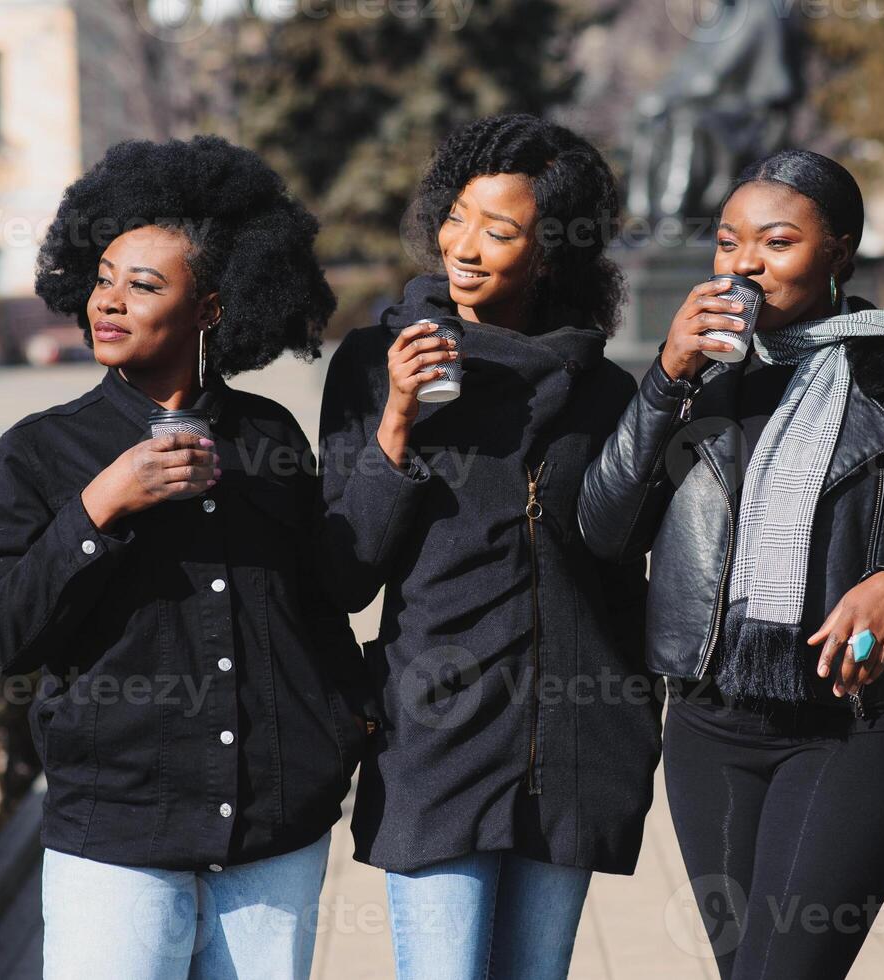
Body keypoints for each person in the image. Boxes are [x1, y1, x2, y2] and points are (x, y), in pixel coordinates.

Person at [578, 149, 884, 979]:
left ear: (838, 251)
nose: (744, 264)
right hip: (707, 728)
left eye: (776, 241)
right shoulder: (695, 381)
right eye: (728, 244)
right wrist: (663, 379)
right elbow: (603, 529)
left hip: (852, 731)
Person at [0, 135, 364, 980]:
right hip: (117, 837)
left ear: (211, 309)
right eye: (103, 278)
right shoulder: (39, 453)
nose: (108, 302)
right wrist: (99, 506)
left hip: (273, 832)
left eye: (143, 285)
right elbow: (2, 636)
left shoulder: (268, 437)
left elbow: (321, 604)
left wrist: (340, 726)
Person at [316, 114, 662, 979]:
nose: (464, 247)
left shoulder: (605, 391)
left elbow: (623, 572)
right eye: (456, 218)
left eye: (499, 231)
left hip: (576, 747)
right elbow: (345, 570)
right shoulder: (373, 363)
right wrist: (397, 418)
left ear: (549, 254)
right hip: (436, 740)